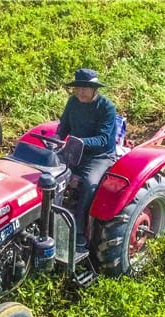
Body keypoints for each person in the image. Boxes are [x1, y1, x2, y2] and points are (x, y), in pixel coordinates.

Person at [53, 68, 118, 253]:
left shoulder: (106, 107)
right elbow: (64, 125)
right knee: (49, 172)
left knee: (89, 184)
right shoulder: (73, 102)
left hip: (100, 155)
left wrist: (81, 141)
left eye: (85, 88)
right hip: (74, 149)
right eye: (78, 87)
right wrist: (58, 137)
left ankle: (80, 231)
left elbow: (104, 139)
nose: (80, 92)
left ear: (95, 90)